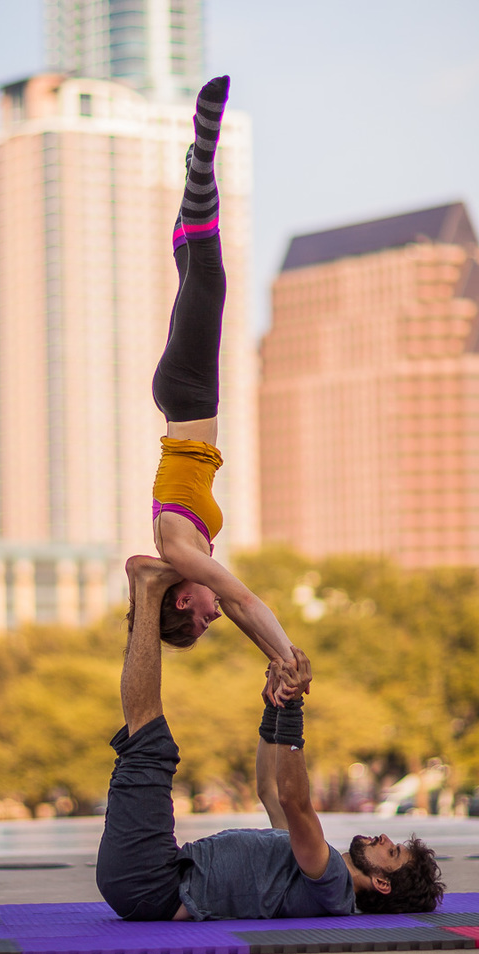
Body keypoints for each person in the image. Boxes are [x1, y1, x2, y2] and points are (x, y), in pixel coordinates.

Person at [97, 556, 446, 921]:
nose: (385, 840)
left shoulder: (331, 883)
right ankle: (147, 589)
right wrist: (275, 707)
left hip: (154, 885)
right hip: (156, 879)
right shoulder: (307, 864)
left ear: (381, 883)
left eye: (392, 853)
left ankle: (148, 590)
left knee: (150, 747)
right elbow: (269, 789)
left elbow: (293, 800)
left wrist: (294, 706)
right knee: (148, 746)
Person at [144, 75, 307, 703]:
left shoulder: (179, 551)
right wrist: (279, 658)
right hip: (189, 399)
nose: (212, 615)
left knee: (208, 283)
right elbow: (232, 601)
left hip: (187, 398)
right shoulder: (179, 550)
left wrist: (284, 656)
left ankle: (201, 161)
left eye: (200, 617)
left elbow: (240, 601)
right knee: (198, 278)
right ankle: (194, 187)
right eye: (209, 622)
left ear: (183, 597)